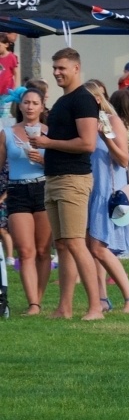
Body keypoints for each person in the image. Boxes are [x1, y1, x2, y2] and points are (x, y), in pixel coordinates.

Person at [28, 49, 104, 319]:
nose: (57, 72)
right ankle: (64, 307)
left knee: (75, 242)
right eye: (55, 68)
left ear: (76, 68)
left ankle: (96, 307)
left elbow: (88, 143)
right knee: (61, 244)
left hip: (73, 179)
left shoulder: (83, 99)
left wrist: (49, 143)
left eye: (62, 68)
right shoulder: (63, 101)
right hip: (54, 178)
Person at [82, 80, 129, 312]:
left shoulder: (112, 121)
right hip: (86, 190)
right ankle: (102, 298)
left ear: (97, 100)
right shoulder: (82, 124)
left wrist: (106, 137)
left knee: (98, 247)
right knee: (91, 247)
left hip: (107, 191)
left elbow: (124, 160)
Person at [2, 86, 51, 313]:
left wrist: (43, 161)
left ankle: (37, 299)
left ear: (42, 107)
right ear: (20, 105)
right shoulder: (7, 133)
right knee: (25, 250)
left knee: (43, 250)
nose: (30, 107)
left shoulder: (50, 133)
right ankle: (33, 303)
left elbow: (59, 165)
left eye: (35, 103)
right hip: (18, 190)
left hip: (43, 188)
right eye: (26, 102)